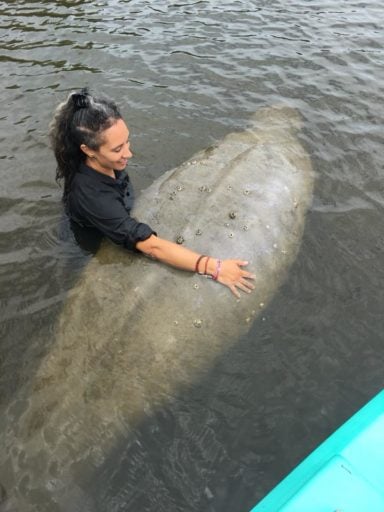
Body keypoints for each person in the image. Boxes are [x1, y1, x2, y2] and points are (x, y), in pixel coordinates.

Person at [49, 88, 255, 297]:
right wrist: (214, 267)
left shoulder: (98, 161)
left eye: (126, 141)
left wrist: (116, 156)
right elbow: (151, 247)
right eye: (117, 149)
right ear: (88, 150)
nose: (128, 153)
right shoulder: (93, 196)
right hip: (91, 236)